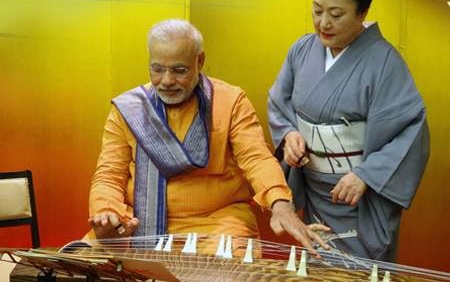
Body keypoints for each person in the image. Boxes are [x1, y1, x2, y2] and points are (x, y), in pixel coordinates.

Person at [88, 19, 327, 254]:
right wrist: (106, 212)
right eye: (157, 69)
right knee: (81, 261)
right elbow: (109, 174)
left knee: (227, 265)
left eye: (179, 70)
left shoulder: (231, 101)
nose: (167, 81)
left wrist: (280, 204)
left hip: (217, 223)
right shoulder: (129, 109)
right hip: (140, 223)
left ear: (199, 61)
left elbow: (256, 158)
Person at [268, 0, 429, 261]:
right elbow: (279, 102)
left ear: (362, 12)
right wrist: (289, 135)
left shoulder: (385, 62)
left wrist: (366, 175)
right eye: (317, 10)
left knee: (361, 271)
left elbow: (411, 131)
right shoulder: (302, 50)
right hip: (314, 189)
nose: (323, 23)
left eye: (336, 14)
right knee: (316, 265)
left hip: (358, 196)